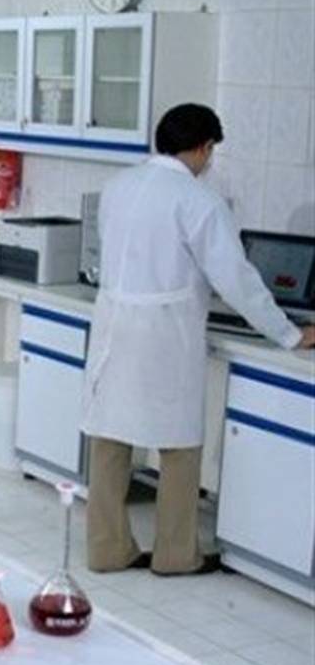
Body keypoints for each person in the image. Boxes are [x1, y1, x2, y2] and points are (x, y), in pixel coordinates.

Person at [81, 103, 315, 576]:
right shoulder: (199, 201)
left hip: (113, 325)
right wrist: (290, 333)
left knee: (110, 437)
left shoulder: (118, 186)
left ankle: (107, 550)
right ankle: (175, 555)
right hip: (164, 334)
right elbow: (237, 281)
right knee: (179, 445)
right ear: (204, 148)